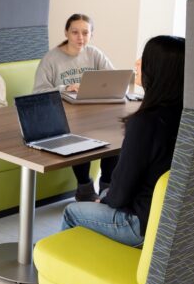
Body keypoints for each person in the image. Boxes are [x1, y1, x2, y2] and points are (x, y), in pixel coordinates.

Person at [60, 35, 185, 246]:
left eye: (144, 58)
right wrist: (108, 198)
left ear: (158, 70)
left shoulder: (146, 122)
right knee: (107, 193)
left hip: (139, 223)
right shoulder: (185, 115)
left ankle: (64, 271)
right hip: (167, 219)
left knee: (72, 211)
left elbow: (121, 193)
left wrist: (107, 201)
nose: (137, 63)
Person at [33, 13, 117, 201]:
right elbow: (38, 92)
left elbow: (112, 79)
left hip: (91, 112)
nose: (80, 38)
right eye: (75, 32)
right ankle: (85, 188)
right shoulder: (51, 59)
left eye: (85, 33)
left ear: (91, 35)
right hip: (63, 115)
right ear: (66, 33)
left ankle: (107, 188)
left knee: (116, 135)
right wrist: (65, 88)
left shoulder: (94, 54)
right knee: (81, 134)